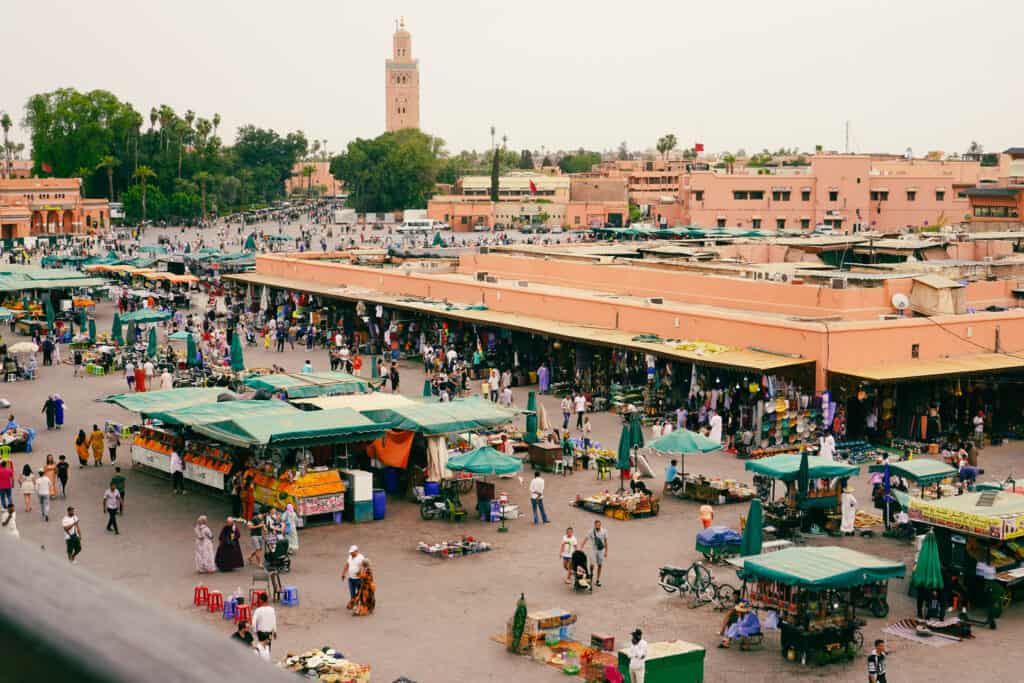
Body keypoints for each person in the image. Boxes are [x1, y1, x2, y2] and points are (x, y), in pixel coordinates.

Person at [580, 519, 609, 587]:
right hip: (593, 550)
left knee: (600, 565)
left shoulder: (604, 531)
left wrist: (606, 551)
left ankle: (598, 580)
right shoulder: (591, 531)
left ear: (600, 525)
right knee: (592, 564)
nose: (598, 526)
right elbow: (585, 539)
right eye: (596, 525)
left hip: (601, 550)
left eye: (599, 525)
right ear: (594, 525)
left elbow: (605, 542)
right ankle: (591, 574)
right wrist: (581, 547)